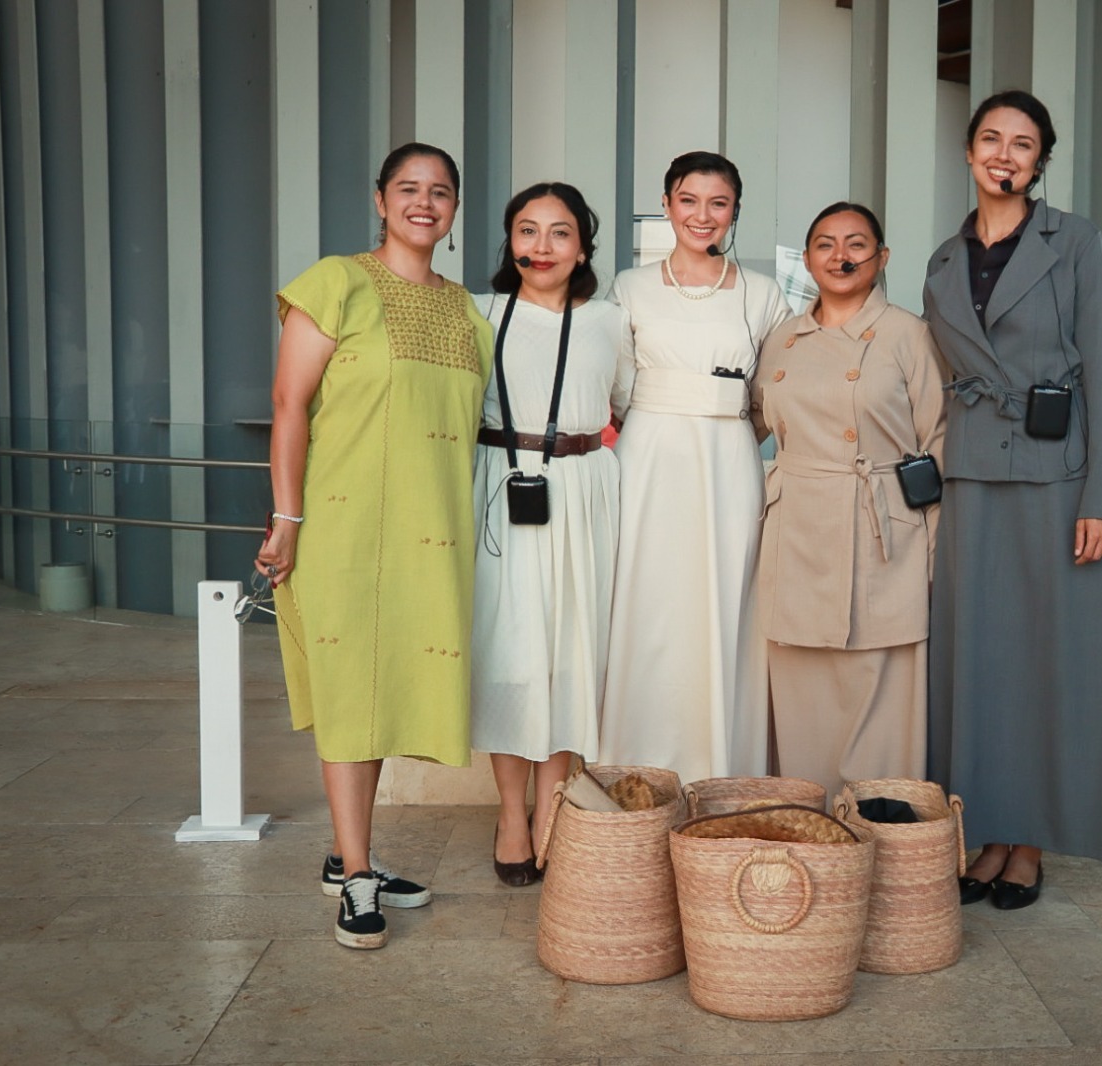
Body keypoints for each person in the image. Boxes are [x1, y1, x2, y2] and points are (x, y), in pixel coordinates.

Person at [258, 143, 492, 948]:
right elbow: (290, 405)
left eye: (441, 192)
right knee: (353, 690)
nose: (424, 203)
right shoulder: (337, 282)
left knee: (386, 685)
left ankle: (348, 852)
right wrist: (286, 520)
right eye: (409, 189)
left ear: (455, 210)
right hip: (345, 527)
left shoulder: (466, 311)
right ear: (380, 199)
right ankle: (357, 875)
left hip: (432, 537)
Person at [923, 90, 1102, 910]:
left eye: (1023, 144)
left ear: (1040, 161)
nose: (1004, 155)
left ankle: (1030, 843)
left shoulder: (1075, 240)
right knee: (980, 662)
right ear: (971, 152)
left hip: (1058, 478)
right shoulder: (943, 261)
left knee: (1049, 663)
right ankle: (986, 829)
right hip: (974, 476)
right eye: (991, 139)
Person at [598, 151, 789, 786]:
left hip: (730, 462)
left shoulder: (764, 294)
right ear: (667, 203)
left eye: (718, 203)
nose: (701, 216)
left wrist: (729, 423)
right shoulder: (629, 286)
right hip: (648, 458)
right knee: (647, 603)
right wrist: (659, 422)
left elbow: (775, 392)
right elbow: (617, 386)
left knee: (726, 601)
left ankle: (721, 772)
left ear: (735, 210)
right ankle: (637, 768)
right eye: (688, 200)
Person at [750, 202, 946, 799]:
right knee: (803, 686)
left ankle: (885, 834)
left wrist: (934, 550)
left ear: (882, 258)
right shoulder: (782, 337)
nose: (841, 256)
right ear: (807, 260)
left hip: (883, 530)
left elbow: (937, 443)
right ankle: (811, 824)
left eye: (857, 244)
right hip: (797, 531)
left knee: (883, 685)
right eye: (826, 245)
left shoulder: (909, 334)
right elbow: (751, 424)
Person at [470, 182, 634, 886]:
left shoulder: (610, 321)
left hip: (581, 487)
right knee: (509, 652)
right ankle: (512, 813)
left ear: (583, 246)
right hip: (498, 485)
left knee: (569, 649)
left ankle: (553, 810)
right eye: (527, 231)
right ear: (510, 242)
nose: (542, 247)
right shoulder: (479, 313)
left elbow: (628, 405)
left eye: (559, 232)